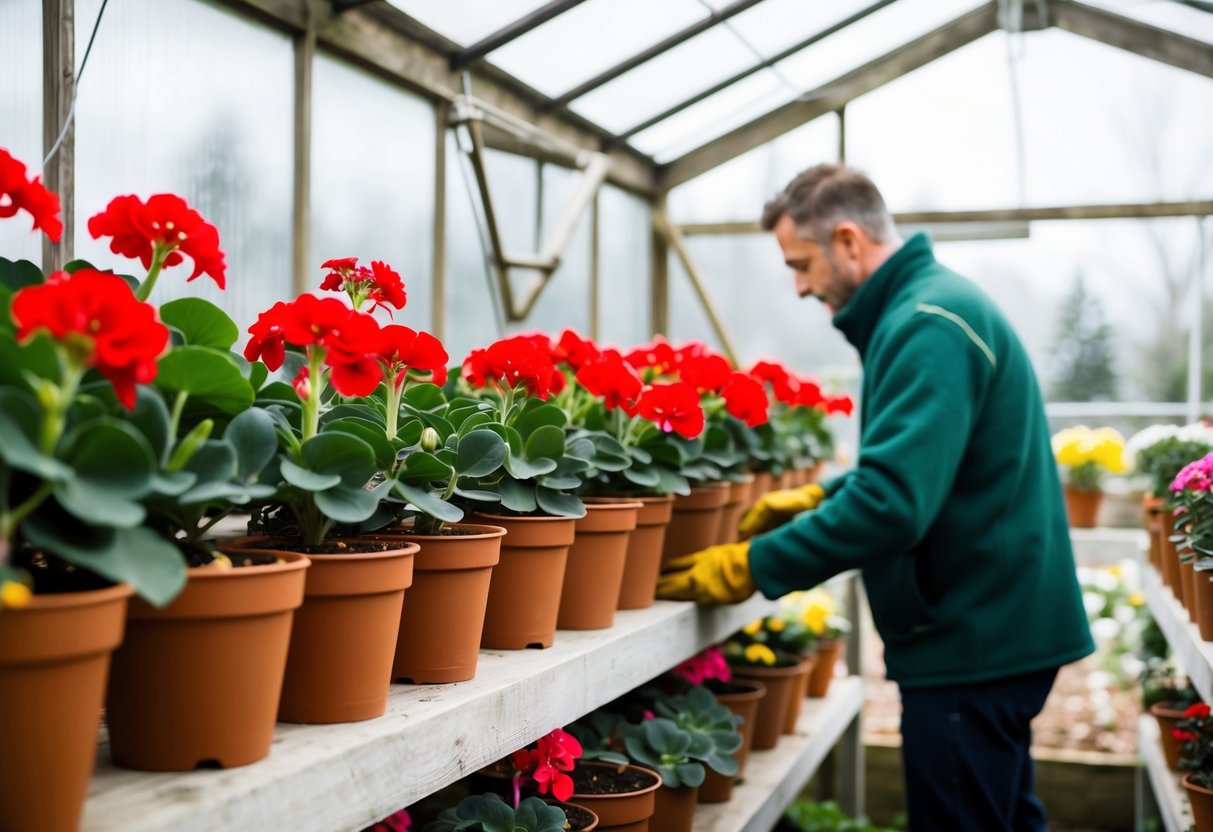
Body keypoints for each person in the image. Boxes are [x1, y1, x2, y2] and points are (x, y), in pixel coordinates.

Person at [657, 163, 1094, 832]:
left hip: (970, 641)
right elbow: (936, 471)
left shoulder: (927, 324)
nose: (799, 286)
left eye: (800, 264)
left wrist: (751, 566)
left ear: (848, 240)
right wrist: (818, 497)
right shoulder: (930, 307)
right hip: (991, 631)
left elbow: (893, 504)